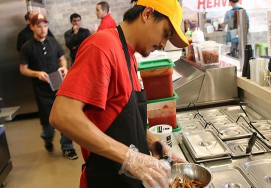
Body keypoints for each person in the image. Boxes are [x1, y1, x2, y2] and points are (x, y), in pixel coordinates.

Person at [50, 0, 188, 187]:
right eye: (165, 34)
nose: (164, 44)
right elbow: (62, 115)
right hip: (105, 180)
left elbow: (118, 116)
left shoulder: (130, 56)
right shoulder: (102, 46)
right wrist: (130, 157)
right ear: (147, 14)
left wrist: (153, 141)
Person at [19, 13, 78, 160]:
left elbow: (62, 59)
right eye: (39, 26)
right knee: (48, 124)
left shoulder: (53, 42)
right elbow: (23, 68)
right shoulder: (27, 47)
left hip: (58, 86)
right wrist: (37, 73)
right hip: (41, 90)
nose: (43, 29)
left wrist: (64, 68)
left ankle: (67, 147)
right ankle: (47, 138)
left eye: (45, 25)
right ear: (32, 27)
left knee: (64, 119)